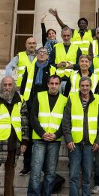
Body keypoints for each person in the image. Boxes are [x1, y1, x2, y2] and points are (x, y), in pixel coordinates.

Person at [23, 75, 67, 196]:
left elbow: (65, 121)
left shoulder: (65, 100)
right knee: (35, 172)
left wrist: (57, 134)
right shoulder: (39, 96)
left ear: (60, 85)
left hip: (54, 140)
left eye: (56, 83)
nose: (54, 86)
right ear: (47, 84)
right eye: (51, 83)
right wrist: (42, 133)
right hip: (39, 139)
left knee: (50, 173)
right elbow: (33, 117)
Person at [62, 76, 99, 196]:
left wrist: (98, 140)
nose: (85, 88)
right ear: (79, 87)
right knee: (74, 174)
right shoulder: (72, 98)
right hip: (74, 143)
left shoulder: (97, 99)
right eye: (82, 86)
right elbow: (66, 120)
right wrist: (68, 139)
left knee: (87, 174)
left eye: (87, 86)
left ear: (90, 86)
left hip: (90, 143)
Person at [17, 47, 57, 175]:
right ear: (37, 54)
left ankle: (45, 167)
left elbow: (55, 86)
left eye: (44, 53)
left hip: (45, 105)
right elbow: (23, 86)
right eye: (39, 52)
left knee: (44, 133)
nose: (41, 55)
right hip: (30, 103)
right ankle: (27, 165)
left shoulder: (51, 69)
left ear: (47, 56)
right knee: (28, 135)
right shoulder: (30, 67)